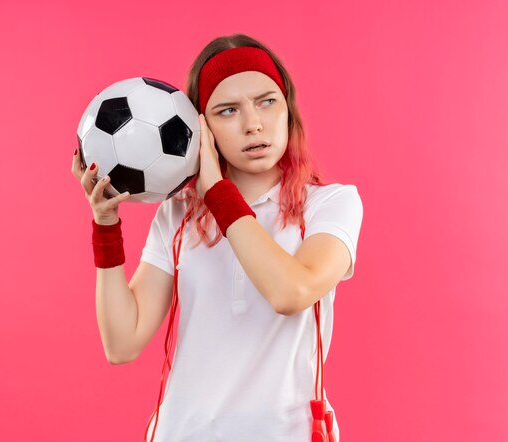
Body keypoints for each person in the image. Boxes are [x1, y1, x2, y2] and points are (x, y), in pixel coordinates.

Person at [71, 33, 363, 442]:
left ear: (288, 110)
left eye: (267, 101)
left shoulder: (330, 204)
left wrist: (217, 193)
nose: (253, 123)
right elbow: (122, 344)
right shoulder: (178, 214)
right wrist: (105, 225)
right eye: (228, 110)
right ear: (200, 127)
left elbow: (291, 292)